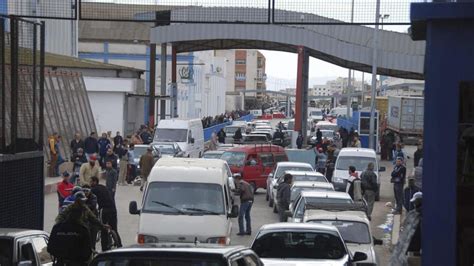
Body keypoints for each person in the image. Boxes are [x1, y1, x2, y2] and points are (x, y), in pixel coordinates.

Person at [51, 192, 109, 265]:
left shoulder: (85, 209)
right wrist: (58, 225)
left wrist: (102, 226)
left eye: (83, 200)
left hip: (82, 231)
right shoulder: (70, 208)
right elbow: (60, 216)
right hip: (70, 233)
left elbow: (93, 218)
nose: (82, 202)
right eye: (80, 200)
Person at [90, 176, 122, 251]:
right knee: (114, 228)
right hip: (113, 209)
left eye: (91, 182)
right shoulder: (103, 187)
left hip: (104, 210)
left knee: (103, 228)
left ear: (95, 182)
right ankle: (120, 246)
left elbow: (92, 202)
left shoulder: (93, 189)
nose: (90, 183)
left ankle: (104, 249)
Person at [82, 185, 99, 250]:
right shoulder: (80, 196)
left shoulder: (93, 197)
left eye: (87, 191)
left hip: (92, 220)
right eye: (84, 191)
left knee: (92, 240)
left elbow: (93, 206)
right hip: (82, 219)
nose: (85, 193)